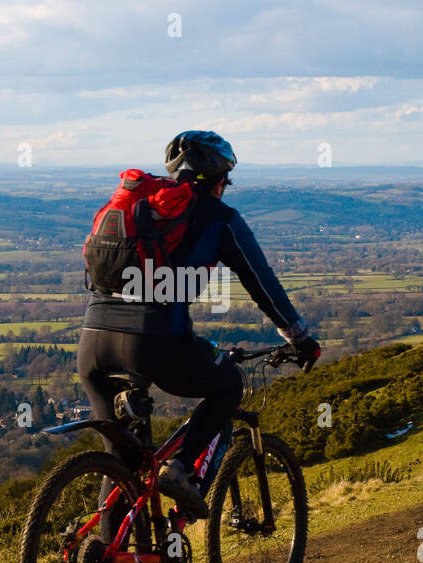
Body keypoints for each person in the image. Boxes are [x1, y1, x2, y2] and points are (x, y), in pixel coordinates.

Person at [77, 130, 321, 523]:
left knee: (121, 459)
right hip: (154, 341)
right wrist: (299, 338)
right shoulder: (220, 219)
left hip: (93, 342)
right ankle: (180, 469)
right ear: (222, 180)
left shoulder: (143, 212)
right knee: (228, 384)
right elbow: (263, 284)